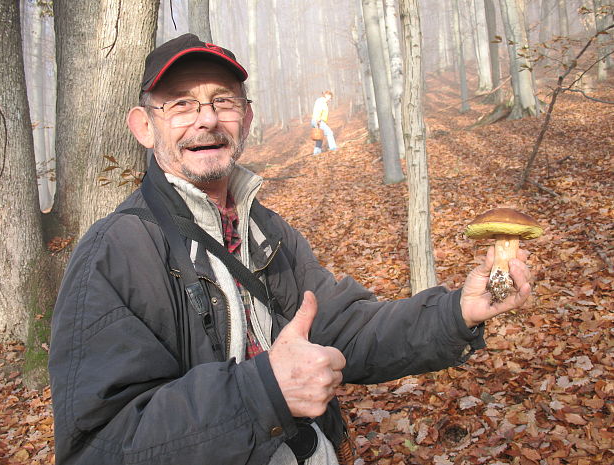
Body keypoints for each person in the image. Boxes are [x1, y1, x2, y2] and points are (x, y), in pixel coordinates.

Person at [48, 33, 533, 465]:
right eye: (180, 105)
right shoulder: (115, 253)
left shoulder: (267, 231)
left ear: (248, 117)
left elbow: (347, 330)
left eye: (224, 102)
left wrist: (456, 312)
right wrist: (263, 392)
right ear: (143, 126)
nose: (207, 120)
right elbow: (99, 445)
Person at [311, 90, 337, 155]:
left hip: (316, 120)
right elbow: (318, 110)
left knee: (320, 136)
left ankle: (316, 152)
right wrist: (318, 120)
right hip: (318, 120)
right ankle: (333, 148)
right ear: (327, 96)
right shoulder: (321, 101)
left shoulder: (322, 101)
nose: (330, 100)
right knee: (329, 133)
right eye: (330, 98)